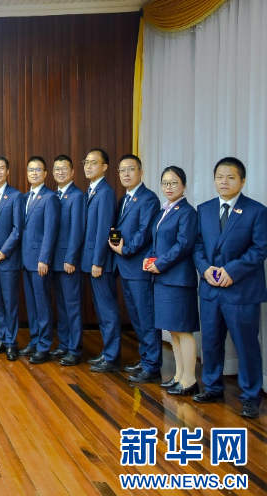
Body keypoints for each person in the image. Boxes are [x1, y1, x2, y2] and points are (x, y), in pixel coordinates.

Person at [193, 157, 267, 419]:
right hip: (211, 289)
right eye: (220, 177)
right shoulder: (204, 209)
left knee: (246, 346)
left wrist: (231, 272)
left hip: (241, 291)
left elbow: (260, 249)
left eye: (231, 177)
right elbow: (197, 245)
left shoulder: (257, 211)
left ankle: (250, 396)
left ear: (242, 181)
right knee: (211, 342)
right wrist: (205, 269)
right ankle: (213, 387)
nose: (224, 182)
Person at [144, 166, 199, 396]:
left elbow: (183, 245)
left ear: (184, 185)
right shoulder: (163, 211)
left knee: (183, 330)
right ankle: (179, 376)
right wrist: (150, 259)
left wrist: (160, 263)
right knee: (173, 331)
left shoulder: (187, 212)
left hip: (178, 280)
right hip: (163, 278)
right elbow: (157, 243)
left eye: (174, 183)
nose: (169, 187)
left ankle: (189, 380)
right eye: (165, 183)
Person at [108, 154, 161, 383]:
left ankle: (153, 366)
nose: (126, 174)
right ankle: (145, 358)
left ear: (141, 172)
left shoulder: (149, 198)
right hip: (125, 267)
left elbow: (144, 232)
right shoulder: (124, 199)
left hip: (138, 267)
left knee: (146, 317)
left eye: (130, 169)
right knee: (136, 318)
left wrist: (125, 249)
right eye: (122, 170)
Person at [81, 148, 121, 373]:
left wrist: (98, 262)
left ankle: (112, 356)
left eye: (93, 162)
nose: (88, 166)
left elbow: (104, 230)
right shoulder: (92, 190)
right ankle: (107, 352)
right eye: (86, 162)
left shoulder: (105, 192)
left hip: (100, 263)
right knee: (102, 310)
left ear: (105, 167)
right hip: (91, 261)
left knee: (108, 310)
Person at [20, 156, 59, 364]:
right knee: (32, 304)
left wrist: (44, 259)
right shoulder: (26, 197)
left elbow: (50, 232)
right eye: (30, 170)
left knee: (42, 304)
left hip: (39, 262)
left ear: (45, 174)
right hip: (26, 260)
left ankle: (44, 345)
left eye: (38, 170)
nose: (33, 173)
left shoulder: (50, 198)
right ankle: (34, 340)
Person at [0, 156, 23, 360]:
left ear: (7, 171)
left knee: (10, 302)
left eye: (2, 168)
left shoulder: (16, 196)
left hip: (8, 259)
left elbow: (17, 230)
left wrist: (5, 251)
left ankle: (11, 342)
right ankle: (2, 337)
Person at [50, 155, 85, 366]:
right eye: (57, 169)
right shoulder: (54, 195)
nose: (60, 172)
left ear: (72, 172)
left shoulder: (77, 196)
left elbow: (77, 230)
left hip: (68, 262)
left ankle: (74, 349)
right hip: (55, 260)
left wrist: (71, 258)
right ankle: (63, 344)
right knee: (61, 305)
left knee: (72, 306)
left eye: (64, 169)